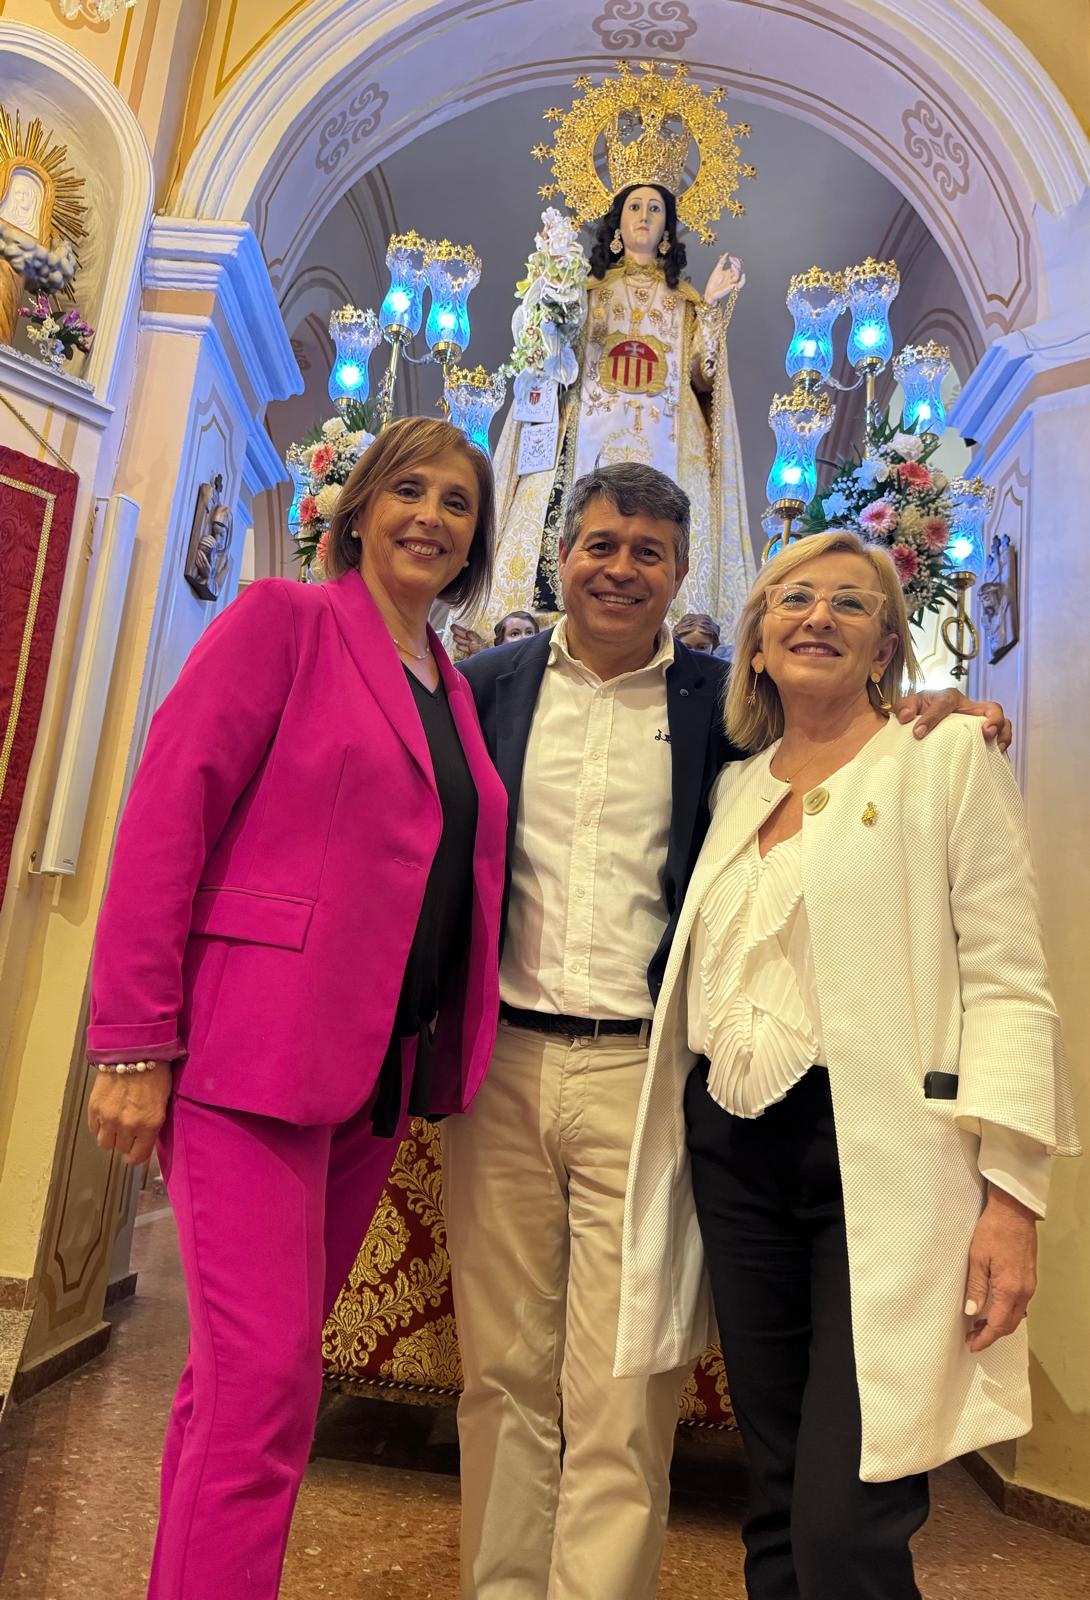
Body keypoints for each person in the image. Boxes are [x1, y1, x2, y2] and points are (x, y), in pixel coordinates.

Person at [444, 465, 1011, 1600]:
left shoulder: (716, 709)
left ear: (681, 575)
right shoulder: (479, 685)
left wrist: (939, 710)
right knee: (501, 1372)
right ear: (561, 554)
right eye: (600, 544)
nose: (619, 568)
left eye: (648, 553)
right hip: (500, 1061)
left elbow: (846, 759)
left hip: (640, 1074)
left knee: (623, 1377)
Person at [85, 417, 508, 1600]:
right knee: (269, 1387)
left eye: (457, 503)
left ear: (476, 540)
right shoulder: (284, 619)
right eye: (408, 489)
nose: (430, 515)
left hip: (370, 1080)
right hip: (246, 1062)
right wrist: (132, 1041)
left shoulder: (454, 687)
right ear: (360, 505)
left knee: (236, 1383)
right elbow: (168, 814)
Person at [616, 529, 1078, 1600]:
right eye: (793, 599)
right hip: (734, 1158)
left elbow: (1010, 981)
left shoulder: (942, 759)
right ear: (758, 641)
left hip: (880, 1161)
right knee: (774, 1484)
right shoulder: (734, 788)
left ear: (885, 646)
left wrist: (1013, 1195)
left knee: (847, 1511)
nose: (816, 615)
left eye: (849, 603)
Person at [488, 182, 752, 635]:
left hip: (669, 437)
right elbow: (556, 364)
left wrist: (711, 309)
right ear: (618, 221)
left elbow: (704, 378)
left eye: (655, 208)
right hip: (587, 433)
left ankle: (680, 621)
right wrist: (552, 301)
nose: (644, 216)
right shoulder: (585, 292)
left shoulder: (686, 302)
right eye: (635, 207)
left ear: (668, 228)